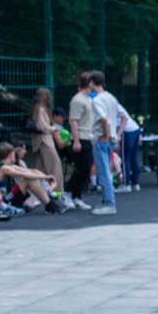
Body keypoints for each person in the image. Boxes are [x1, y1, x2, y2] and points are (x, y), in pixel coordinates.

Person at [0, 142, 65, 214]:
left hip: (10, 195)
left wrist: (46, 178)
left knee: (30, 177)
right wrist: (45, 177)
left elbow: (32, 171)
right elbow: (25, 174)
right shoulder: (4, 168)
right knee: (29, 179)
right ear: (10, 155)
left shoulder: (9, 166)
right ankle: (49, 204)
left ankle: (49, 203)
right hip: (4, 200)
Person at [88, 70, 120, 215]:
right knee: (106, 170)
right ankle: (106, 200)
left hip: (101, 139)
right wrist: (115, 134)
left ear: (91, 83)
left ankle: (109, 204)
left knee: (104, 172)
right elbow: (123, 116)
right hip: (111, 138)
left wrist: (105, 134)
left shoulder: (96, 100)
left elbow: (104, 119)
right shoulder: (111, 97)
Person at [66, 71, 95, 210]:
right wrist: (76, 141)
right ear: (89, 83)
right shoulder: (78, 100)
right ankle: (67, 192)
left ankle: (76, 196)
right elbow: (73, 122)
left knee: (86, 169)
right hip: (81, 138)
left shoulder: (89, 98)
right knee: (81, 168)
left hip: (88, 138)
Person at [30, 87, 65, 194]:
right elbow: (43, 127)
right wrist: (55, 128)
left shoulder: (37, 108)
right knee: (55, 164)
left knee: (40, 166)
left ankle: (37, 190)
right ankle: (58, 190)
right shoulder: (41, 109)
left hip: (40, 140)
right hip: (45, 140)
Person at [116, 101, 142, 193]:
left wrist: (118, 135)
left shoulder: (108, 106)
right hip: (135, 129)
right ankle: (135, 183)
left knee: (125, 158)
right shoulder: (114, 103)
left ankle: (126, 184)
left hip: (127, 132)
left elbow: (124, 119)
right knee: (133, 157)